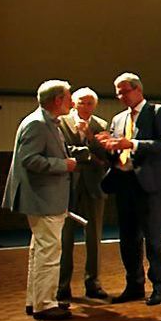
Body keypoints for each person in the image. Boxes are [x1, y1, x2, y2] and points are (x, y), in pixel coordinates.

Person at [3, 80, 78, 320]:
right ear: (57, 100)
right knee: (49, 251)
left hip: (44, 197)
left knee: (39, 250)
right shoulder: (37, 124)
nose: (72, 102)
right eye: (68, 97)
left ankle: (36, 300)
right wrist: (63, 165)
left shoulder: (47, 122)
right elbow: (30, 159)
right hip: (43, 198)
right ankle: (45, 304)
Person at [97, 72, 161, 306]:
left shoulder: (156, 112)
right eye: (118, 92)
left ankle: (159, 287)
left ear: (138, 90)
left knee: (152, 238)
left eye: (125, 91)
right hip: (124, 182)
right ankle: (134, 285)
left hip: (148, 184)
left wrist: (133, 143)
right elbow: (115, 150)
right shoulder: (119, 119)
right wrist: (107, 146)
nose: (121, 96)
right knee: (128, 239)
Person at [57, 87, 110, 301]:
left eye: (90, 103)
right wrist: (88, 155)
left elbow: (106, 156)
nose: (85, 107)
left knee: (95, 236)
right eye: (81, 102)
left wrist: (90, 137)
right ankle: (62, 285)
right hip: (68, 185)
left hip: (94, 185)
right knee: (65, 237)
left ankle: (93, 283)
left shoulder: (101, 125)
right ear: (73, 103)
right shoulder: (60, 122)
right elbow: (63, 150)